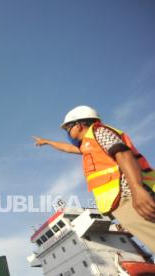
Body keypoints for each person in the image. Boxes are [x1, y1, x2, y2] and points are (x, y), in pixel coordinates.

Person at [33, 105, 155, 253]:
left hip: (131, 196)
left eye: (68, 128)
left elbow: (122, 154)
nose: (68, 133)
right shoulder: (87, 144)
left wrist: (137, 189)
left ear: (79, 124)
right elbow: (69, 148)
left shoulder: (99, 131)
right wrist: (47, 142)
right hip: (123, 200)